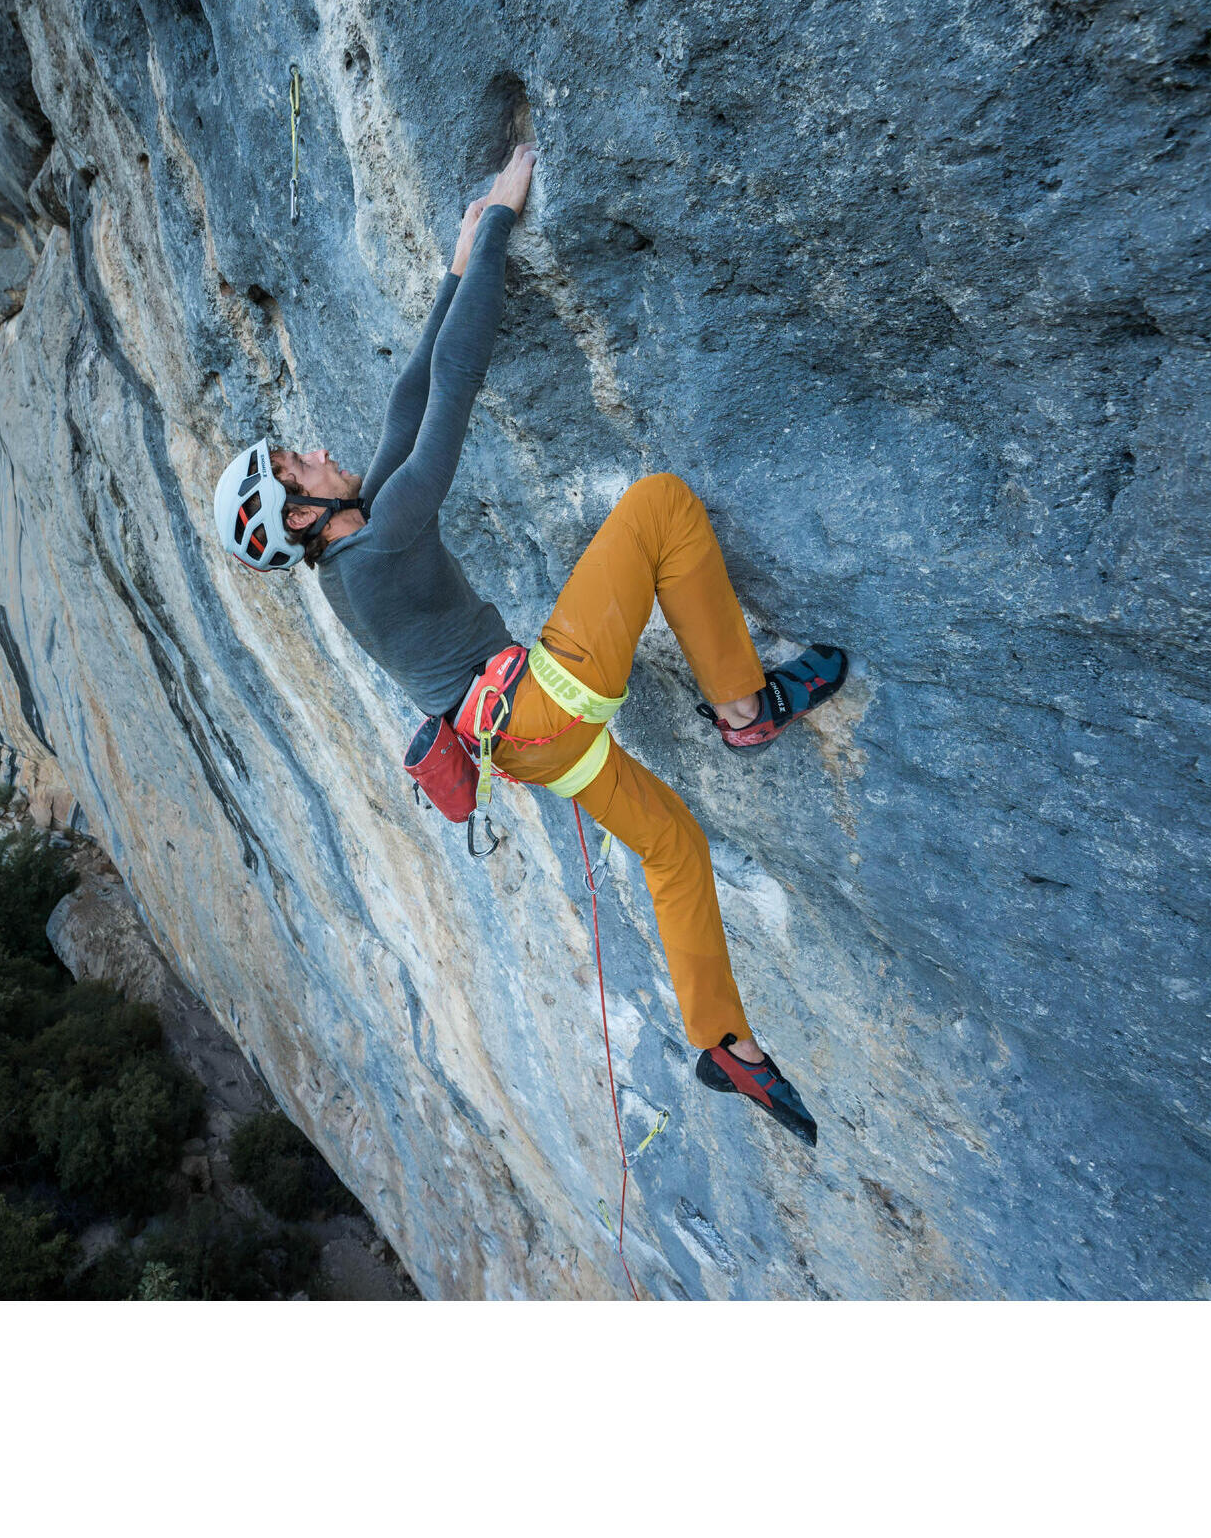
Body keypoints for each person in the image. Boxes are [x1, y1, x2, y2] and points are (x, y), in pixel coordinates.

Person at [212, 143, 846, 1148]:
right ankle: (743, 706)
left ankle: (723, 1040)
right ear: (296, 515)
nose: (318, 451)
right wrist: (501, 217)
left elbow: (405, 396)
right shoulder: (375, 544)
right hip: (541, 700)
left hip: (523, 742)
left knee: (671, 842)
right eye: (298, 461)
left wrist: (458, 263)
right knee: (658, 507)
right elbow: (454, 389)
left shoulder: (352, 548)